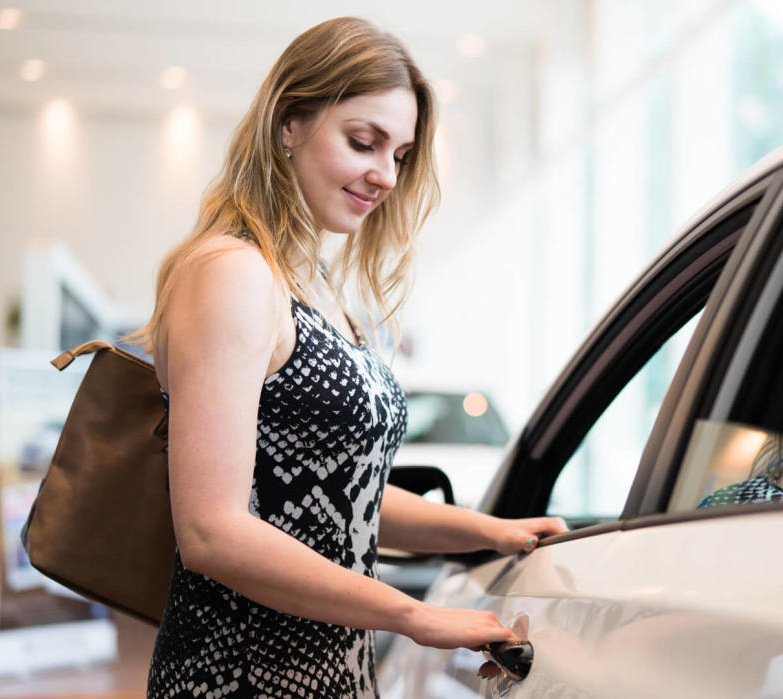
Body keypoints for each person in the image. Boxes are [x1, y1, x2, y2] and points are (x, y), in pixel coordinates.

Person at [123, 17, 567, 699]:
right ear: (288, 124)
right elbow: (212, 529)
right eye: (364, 142)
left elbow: (332, 494)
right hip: (240, 677)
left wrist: (484, 530)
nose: (385, 173)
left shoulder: (315, 287)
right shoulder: (231, 273)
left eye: (400, 154)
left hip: (333, 673)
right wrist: (414, 615)